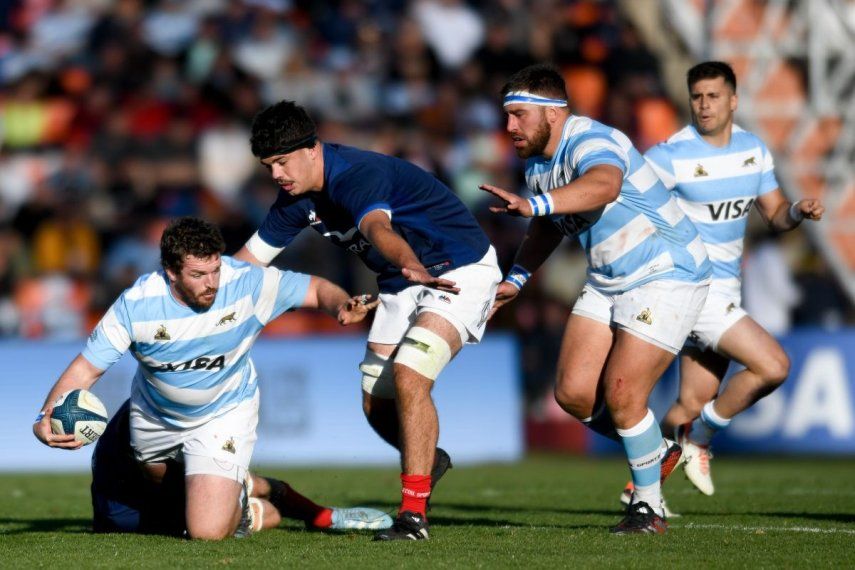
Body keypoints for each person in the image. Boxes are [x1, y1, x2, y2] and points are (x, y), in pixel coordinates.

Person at [236, 101, 502, 541]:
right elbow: (246, 266)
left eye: (282, 162)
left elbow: (377, 227)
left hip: (457, 270)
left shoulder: (355, 174)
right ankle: (428, 462)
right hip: (401, 281)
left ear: (312, 149)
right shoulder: (295, 199)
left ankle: (413, 516)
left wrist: (410, 262)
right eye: (269, 166)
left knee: (410, 375)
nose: (277, 175)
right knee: (374, 404)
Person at [34, 217, 379, 540]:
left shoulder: (245, 282)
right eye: (199, 274)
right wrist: (45, 417)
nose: (212, 283)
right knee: (162, 493)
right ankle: (242, 488)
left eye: (215, 269)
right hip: (155, 416)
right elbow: (86, 369)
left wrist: (340, 305)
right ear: (170, 272)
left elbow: (316, 289)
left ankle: (242, 501)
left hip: (224, 410)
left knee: (206, 532)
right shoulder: (136, 305)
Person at [481, 63, 711, 534]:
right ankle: (658, 450)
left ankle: (648, 508)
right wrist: (518, 278)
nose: (509, 127)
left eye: (519, 115)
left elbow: (603, 185)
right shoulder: (538, 164)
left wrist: (534, 204)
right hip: (609, 277)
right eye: (507, 116)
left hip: (666, 270)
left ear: (555, 112)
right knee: (572, 392)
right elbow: (546, 225)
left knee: (624, 395)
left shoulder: (592, 139)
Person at [639, 61, 824, 497]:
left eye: (713, 96)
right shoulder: (669, 155)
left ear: (733, 100)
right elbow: (629, 201)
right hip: (693, 289)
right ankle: (699, 437)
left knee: (690, 401)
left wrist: (796, 211)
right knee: (774, 365)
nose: (704, 105)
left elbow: (775, 214)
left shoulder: (753, 151)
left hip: (727, 290)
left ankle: (641, 492)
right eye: (697, 97)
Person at [92, 400, 393, 536]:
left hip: (132, 497)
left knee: (243, 482)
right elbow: (158, 477)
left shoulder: (163, 398)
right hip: (133, 513)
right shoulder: (149, 420)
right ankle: (312, 516)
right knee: (251, 504)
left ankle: (322, 516)